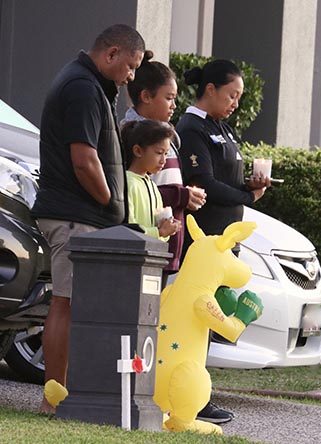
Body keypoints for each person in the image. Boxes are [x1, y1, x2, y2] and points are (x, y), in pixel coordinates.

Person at [31, 24, 145, 414]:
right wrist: (110, 200)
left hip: (78, 214)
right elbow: (84, 159)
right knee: (67, 303)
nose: (131, 76)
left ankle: (64, 394)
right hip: (73, 215)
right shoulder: (82, 86)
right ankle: (53, 399)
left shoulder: (91, 84)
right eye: (129, 67)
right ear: (110, 54)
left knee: (75, 304)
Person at [175, 59, 269, 424]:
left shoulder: (222, 127)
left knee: (210, 321)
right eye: (231, 94)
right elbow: (204, 183)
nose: (235, 103)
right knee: (200, 319)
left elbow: (228, 178)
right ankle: (193, 399)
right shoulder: (191, 127)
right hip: (203, 240)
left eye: (239, 97)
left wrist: (251, 186)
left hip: (224, 243)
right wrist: (247, 198)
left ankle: (198, 392)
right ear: (210, 89)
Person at [121, 51, 206, 274]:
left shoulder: (166, 136)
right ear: (146, 96)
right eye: (168, 98)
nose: (174, 105)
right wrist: (183, 195)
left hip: (163, 246)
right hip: (144, 252)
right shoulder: (131, 140)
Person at [120, 119, 182, 240]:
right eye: (159, 153)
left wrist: (167, 227)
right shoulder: (128, 183)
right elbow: (127, 230)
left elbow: (161, 233)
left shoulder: (152, 185)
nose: (163, 160)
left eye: (166, 154)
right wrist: (159, 232)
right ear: (138, 151)